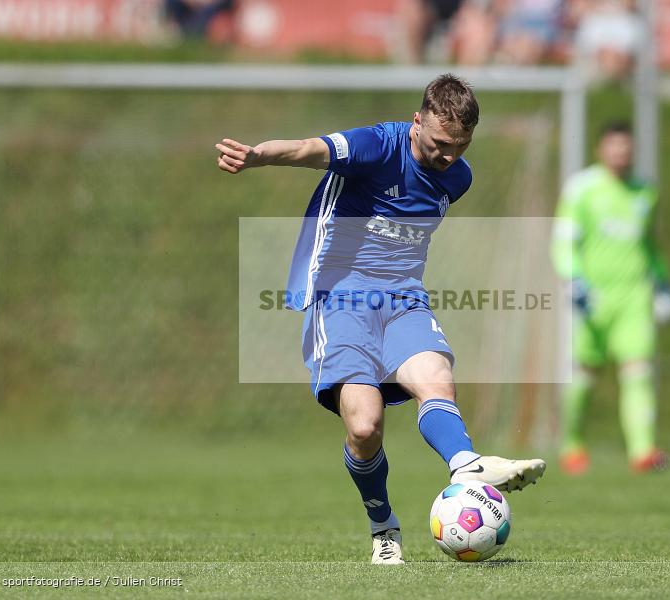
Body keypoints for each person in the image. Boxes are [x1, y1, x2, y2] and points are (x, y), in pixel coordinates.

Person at [216, 74, 546, 565]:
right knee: (365, 427)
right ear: (417, 123)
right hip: (340, 299)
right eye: (439, 144)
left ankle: (465, 464)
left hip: (404, 298)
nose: (448, 157)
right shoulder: (376, 146)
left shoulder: (458, 177)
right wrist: (260, 156)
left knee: (436, 379)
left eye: (459, 146)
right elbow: (312, 148)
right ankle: (383, 525)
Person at [550, 121, 670, 475]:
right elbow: (563, 239)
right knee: (583, 376)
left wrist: (663, 283)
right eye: (614, 147)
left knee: (639, 371)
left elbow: (649, 245)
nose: (621, 154)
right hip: (592, 296)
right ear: (600, 150)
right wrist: (573, 279)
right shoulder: (582, 189)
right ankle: (572, 444)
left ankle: (643, 451)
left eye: (626, 148)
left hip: (635, 296)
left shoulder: (645, 191)